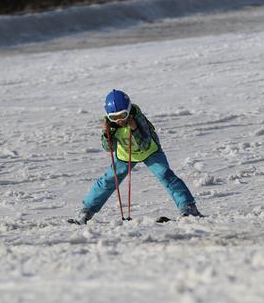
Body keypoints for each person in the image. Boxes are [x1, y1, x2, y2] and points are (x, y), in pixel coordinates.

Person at [74, 89, 202, 224]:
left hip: (150, 152)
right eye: (114, 117)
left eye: (123, 115)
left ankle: (188, 207)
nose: (119, 121)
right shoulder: (109, 125)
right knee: (109, 180)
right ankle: (86, 211)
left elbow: (146, 145)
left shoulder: (138, 119)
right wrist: (107, 135)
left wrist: (134, 129)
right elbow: (108, 148)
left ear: (129, 110)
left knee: (165, 174)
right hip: (125, 155)